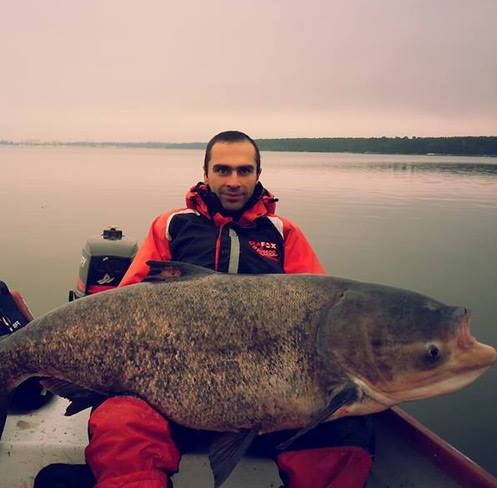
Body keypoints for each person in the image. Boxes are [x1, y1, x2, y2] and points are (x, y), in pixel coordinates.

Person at [36, 131, 373, 488]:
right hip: (169, 393)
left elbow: (320, 317)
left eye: (244, 171)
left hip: (272, 401)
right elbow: (125, 304)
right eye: (222, 170)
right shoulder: (171, 226)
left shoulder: (283, 234)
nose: (233, 181)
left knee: (347, 431)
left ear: (258, 174)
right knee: (119, 421)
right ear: (206, 172)